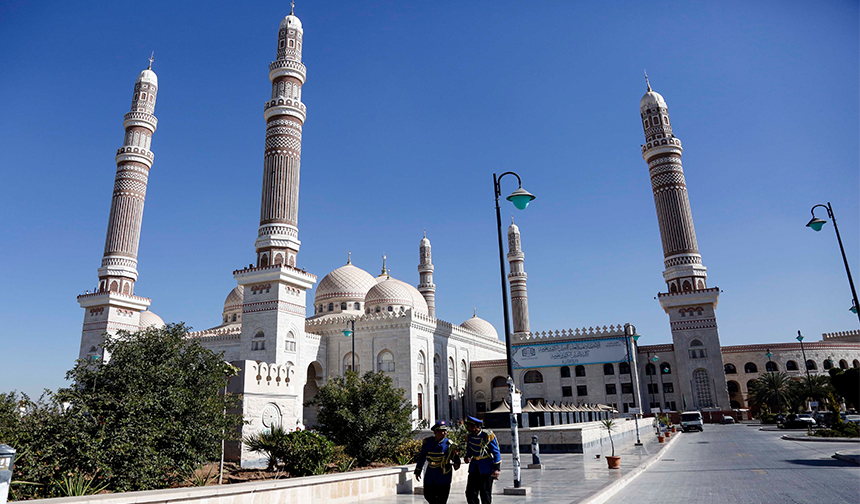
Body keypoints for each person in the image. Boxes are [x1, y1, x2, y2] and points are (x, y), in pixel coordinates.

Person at [414, 420, 461, 504]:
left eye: (445, 431)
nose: (445, 433)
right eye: (442, 431)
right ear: (436, 432)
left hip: (443, 474)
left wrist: (457, 463)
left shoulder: (449, 444)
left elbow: (455, 457)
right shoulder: (428, 442)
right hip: (431, 473)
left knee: (442, 498)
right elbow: (422, 457)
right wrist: (418, 470)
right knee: (428, 495)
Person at [463, 415, 501, 504]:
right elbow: (469, 450)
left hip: (486, 467)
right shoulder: (470, 437)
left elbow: (496, 452)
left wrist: (496, 468)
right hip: (474, 468)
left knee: (485, 493)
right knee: (470, 492)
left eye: (468, 426)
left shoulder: (487, 436)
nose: (467, 428)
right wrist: (467, 456)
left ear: (475, 427)